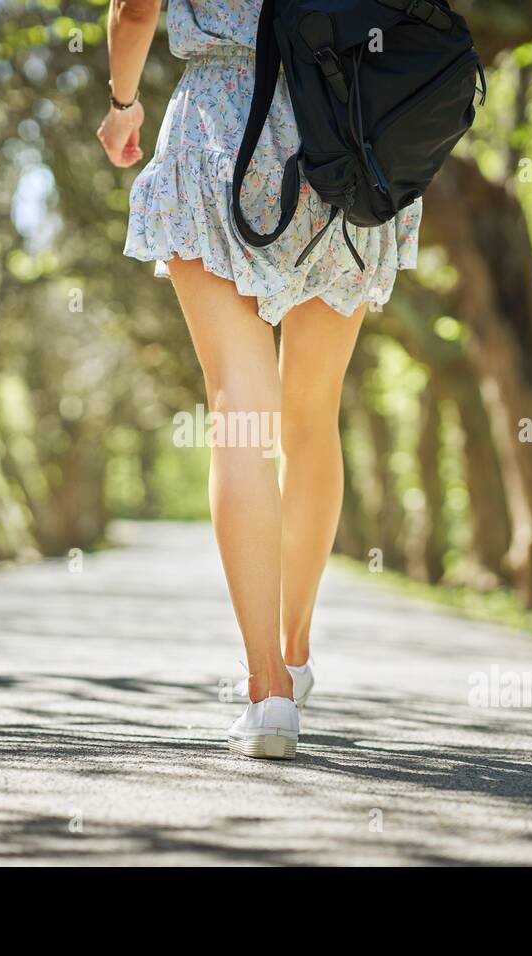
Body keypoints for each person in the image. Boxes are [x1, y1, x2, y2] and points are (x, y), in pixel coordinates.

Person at [98, 0, 422, 759]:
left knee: (240, 413)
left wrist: (121, 103)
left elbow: (137, 7)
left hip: (220, 124)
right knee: (310, 418)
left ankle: (267, 689)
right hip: (346, 129)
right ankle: (296, 649)